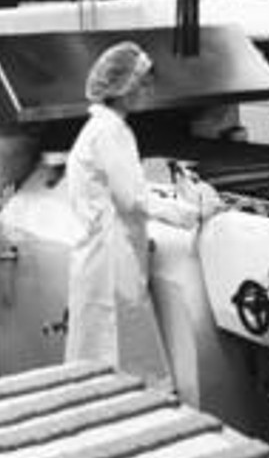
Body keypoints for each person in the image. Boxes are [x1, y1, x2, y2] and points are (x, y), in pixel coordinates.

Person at [63, 41, 212, 387]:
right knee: (120, 354)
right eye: (142, 82)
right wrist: (190, 214)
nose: (148, 89)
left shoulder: (99, 128)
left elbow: (124, 191)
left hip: (100, 252)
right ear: (122, 87)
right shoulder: (112, 131)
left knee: (100, 351)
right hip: (112, 258)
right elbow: (133, 199)